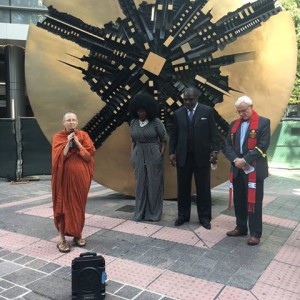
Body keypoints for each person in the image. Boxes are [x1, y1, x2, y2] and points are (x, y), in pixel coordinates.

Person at [169, 87, 220, 229]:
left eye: (190, 99)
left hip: (202, 157)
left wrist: (215, 151)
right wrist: (171, 152)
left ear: (197, 98)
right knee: (183, 188)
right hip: (183, 157)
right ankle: (182, 216)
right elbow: (174, 134)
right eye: (185, 99)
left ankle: (204, 218)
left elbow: (213, 133)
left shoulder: (207, 111)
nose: (187, 102)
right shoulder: (178, 114)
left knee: (203, 188)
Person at [224, 96, 270, 246]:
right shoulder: (234, 125)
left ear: (251, 107)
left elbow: (263, 145)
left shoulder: (263, 122)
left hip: (254, 170)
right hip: (238, 169)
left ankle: (255, 233)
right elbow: (227, 146)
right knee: (239, 200)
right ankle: (241, 227)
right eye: (239, 112)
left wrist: (245, 160)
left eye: (243, 111)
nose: (241, 114)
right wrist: (236, 160)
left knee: (254, 202)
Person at [51, 112, 96, 253]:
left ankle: (77, 235)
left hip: (81, 178)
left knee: (79, 206)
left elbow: (89, 155)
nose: (71, 122)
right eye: (68, 120)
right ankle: (62, 238)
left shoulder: (83, 135)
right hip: (64, 179)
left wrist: (77, 142)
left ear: (77, 122)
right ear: (63, 123)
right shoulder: (58, 137)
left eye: (73, 120)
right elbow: (58, 158)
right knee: (64, 206)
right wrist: (67, 143)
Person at [129, 93, 167, 222]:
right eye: (139, 111)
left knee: (154, 183)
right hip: (138, 153)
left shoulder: (156, 122)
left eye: (143, 111)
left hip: (153, 153)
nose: (141, 113)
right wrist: (132, 156)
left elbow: (164, 139)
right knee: (140, 184)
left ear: (148, 110)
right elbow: (133, 140)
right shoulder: (133, 122)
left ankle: (154, 214)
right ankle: (140, 213)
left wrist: (160, 154)